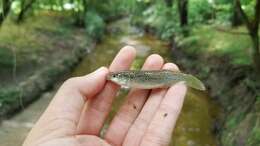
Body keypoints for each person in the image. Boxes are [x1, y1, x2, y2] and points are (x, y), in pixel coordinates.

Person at [23, 46, 187, 146]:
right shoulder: (125, 79)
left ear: (125, 78)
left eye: (116, 77)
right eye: (115, 77)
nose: (112, 77)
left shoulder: (128, 79)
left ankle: (183, 80)